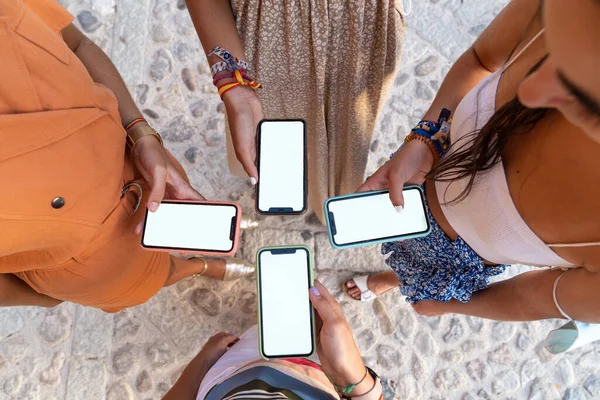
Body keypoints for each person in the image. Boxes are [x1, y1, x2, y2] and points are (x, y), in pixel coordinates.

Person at [344, 0, 600, 325]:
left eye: (587, 100)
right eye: (556, 51)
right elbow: (480, 60)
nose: (529, 92)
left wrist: (448, 305)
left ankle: (395, 280)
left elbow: (529, 299)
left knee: (417, 277)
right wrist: (425, 138)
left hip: (450, 260)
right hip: (415, 179)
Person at [0, 0, 255, 313]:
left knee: (184, 218)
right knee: (161, 274)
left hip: (138, 160)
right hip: (90, 265)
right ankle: (198, 267)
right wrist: (52, 296)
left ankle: (203, 251)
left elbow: (77, 43)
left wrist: (140, 133)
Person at [186, 0, 407, 223]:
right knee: (266, 128)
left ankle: (329, 200)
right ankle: (285, 184)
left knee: (345, 136)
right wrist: (234, 88)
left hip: (358, 27)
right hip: (271, 31)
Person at [164, 281, 383, 400]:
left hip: (233, 369)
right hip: (325, 375)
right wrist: (350, 376)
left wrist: (203, 362)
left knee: (266, 330)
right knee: (293, 325)